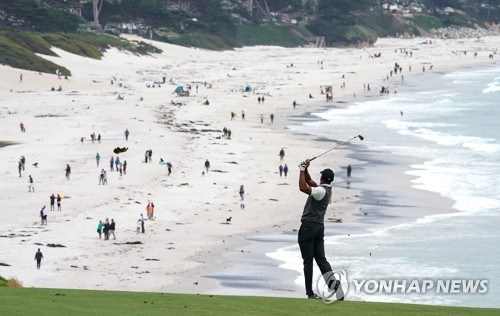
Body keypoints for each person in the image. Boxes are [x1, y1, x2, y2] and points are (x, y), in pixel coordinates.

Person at [297, 159, 338, 299]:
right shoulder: (327, 190)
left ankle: (309, 293)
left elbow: (303, 187)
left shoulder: (320, 191)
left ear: (322, 178)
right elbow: (309, 182)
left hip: (309, 227)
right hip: (319, 228)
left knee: (308, 261)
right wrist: (305, 168)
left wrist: (301, 170)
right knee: (321, 259)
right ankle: (335, 287)